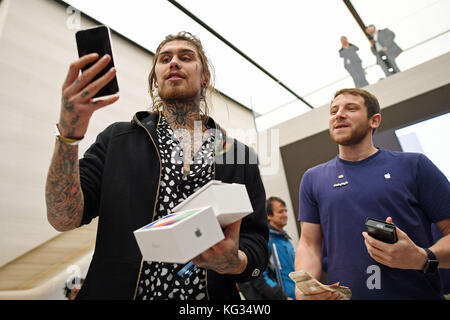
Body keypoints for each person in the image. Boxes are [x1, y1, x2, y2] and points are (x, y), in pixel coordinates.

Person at [45, 31, 268, 300]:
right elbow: (64, 218)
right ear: (155, 79)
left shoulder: (238, 155)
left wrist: (235, 261)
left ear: (205, 77)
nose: (174, 62)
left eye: (185, 57)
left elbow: (257, 244)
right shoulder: (117, 140)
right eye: (164, 59)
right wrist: (69, 136)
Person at [295, 88, 450, 300]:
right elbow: (309, 244)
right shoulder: (313, 178)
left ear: (374, 120)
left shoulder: (414, 165)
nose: (338, 114)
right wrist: (303, 290)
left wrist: (422, 257)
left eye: (351, 108)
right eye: (333, 111)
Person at [238, 197, 296, 300]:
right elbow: (259, 277)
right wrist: (282, 297)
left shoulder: (287, 240)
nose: (285, 214)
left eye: (286, 210)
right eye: (280, 211)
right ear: (269, 216)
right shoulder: (266, 240)